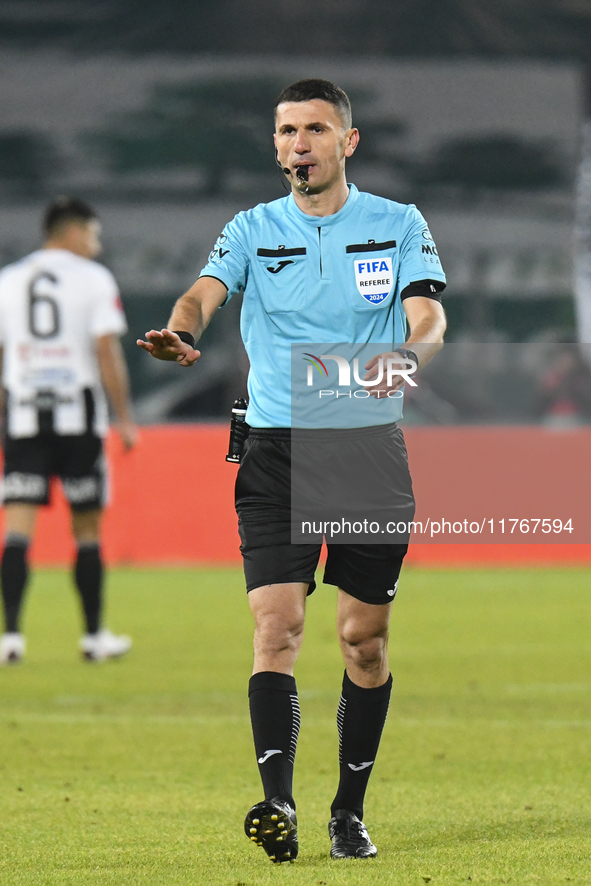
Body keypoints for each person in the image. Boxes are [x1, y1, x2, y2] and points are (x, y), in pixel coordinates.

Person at [138, 79, 447, 862]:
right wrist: (179, 329)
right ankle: (277, 804)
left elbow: (428, 315)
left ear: (348, 141)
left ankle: (348, 810)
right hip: (275, 447)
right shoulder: (250, 228)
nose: (295, 145)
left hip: (363, 447)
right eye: (284, 131)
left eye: (312, 129)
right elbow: (201, 295)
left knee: (361, 641)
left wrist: (407, 356)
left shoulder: (397, 223)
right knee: (275, 629)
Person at [0, 197, 137, 664]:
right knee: (87, 527)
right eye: (93, 236)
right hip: (77, 416)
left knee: (18, 527)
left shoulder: (10, 280)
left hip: (22, 415)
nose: (96, 247)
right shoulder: (93, 280)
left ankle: (11, 636)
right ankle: (94, 636)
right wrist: (124, 418)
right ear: (73, 232)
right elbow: (106, 351)